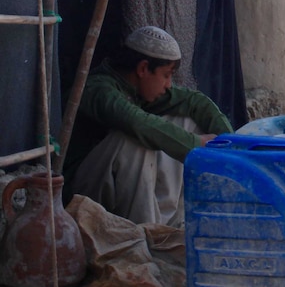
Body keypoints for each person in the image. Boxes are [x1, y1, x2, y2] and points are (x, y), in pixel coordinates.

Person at [63, 26, 234, 225]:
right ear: (143, 69)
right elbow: (138, 123)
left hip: (114, 190)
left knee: (186, 120)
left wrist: (233, 147)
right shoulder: (99, 89)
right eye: (166, 75)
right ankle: (145, 231)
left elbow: (195, 103)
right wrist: (197, 145)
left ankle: (170, 224)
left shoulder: (137, 89)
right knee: (135, 140)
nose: (168, 85)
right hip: (80, 191)